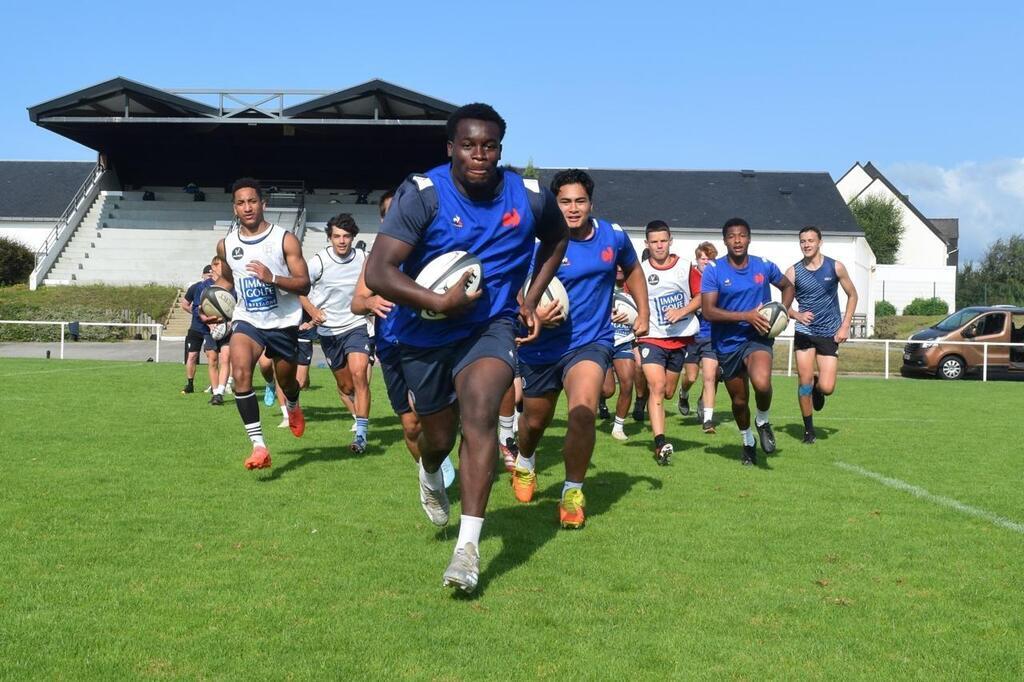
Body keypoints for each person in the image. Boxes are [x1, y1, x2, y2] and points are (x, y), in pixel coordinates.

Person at [365, 103, 568, 593]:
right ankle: (431, 471)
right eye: (469, 145)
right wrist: (438, 300)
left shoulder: (530, 194)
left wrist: (531, 298)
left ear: (501, 148)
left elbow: (558, 237)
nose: (480, 155)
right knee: (436, 437)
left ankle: (467, 549)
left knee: (480, 419)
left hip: (491, 326)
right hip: (424, 333)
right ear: (451, 147)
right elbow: (378, 273)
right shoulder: (424, 195)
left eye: (490, 146)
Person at [513, 169, 648, 528]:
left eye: (580, 201)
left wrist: (644, 312)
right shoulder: (537, 241)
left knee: (583, 412)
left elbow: (633, 271)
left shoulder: (613, 236)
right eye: (565, 202)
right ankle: (525, 459)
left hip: (590, 341)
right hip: (541, 347)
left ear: (591, 202)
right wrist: (534, 308)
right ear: (554, 204)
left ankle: (572, 494)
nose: (573, 209)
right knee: (535, 420)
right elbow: (515, 286)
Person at [351, 191, 456, 484]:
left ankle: (445, 456)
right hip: (391, 348)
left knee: (439, 419)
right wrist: (369, 303)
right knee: (411, 426)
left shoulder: (433, 253)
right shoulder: (376, 260)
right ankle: (431, 478)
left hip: (429, 346)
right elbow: (356, 302)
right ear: (384, 220)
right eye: (390, 213)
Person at [215, 177, 310, 470]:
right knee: (241, 369)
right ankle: (259, 446)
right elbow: (227, 281)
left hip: (283, 322)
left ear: (263, 204)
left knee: (286, 381)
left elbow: (304, 284)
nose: (247, 207)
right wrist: (211, 301)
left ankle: (292, 405)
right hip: (248, 320)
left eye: (252, 201)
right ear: (234, 208)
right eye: (241, 203)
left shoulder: (284, 239)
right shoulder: (226, 245)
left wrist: (273, 278)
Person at [701, 218, 794, 466]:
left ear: (749, 238)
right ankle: (747, 441)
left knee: (762, 384)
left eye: (742, 235)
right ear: (725, 241)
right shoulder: (713, 270)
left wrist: (780, 312)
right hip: (727, 343)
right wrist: (746, 316)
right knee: (739, 400)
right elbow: (708, 311)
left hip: (757, 337)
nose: (737, 240)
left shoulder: (763, 266)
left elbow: (788, 286)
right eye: (732, 236)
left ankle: (763, 420)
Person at [302, 213, 373, 453]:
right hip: (329, 331)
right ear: (329, 238)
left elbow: (380, 280)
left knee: (360, 373)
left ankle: (361, 434)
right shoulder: (319, 262)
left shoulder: (364, 258)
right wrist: (312, 311)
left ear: (353, 237)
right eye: (336, 237)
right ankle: (352, 404)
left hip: (356, 325)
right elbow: (299, 288)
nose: (341, 241)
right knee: (346, 386)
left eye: (346, 236)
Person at [785, 226, 858, 444]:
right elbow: (784, 306)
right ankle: (808, 430)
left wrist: (845, 325)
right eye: (802, 241)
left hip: (829, 332)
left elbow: (853, 295)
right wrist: (796, 315)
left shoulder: (835, 267)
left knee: (827, 387)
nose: (806, 245)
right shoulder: (793, 272)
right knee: (804, 383)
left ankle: (818, 386)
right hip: (804, 332)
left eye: (810, 240)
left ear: (820, 242)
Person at [636, 221, 701, 465]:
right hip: (651, 336)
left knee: (668, 390)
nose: (659, 245)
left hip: (679, 338)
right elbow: (631, 300)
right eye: (654, 242)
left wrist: (682, 310)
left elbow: (701, 296)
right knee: (658, 386)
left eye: (663, 240)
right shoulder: (640, 270)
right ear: (647, 244)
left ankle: (649, 403)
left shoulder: (685, 267)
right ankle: (660, 442)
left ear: (670, 240)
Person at [680, 242, 721, 432]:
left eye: (709, 259)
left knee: (710, 377)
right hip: (692, 335)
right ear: (697, 259)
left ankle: (708, 420)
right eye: (702, 258)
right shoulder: (689, 277)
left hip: (711, 335)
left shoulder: (718, 278)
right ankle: (684, 393)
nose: (706, 261)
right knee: (690, 376)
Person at [608, 267, 639, 441]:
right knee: (607, 390)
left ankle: (618, 426)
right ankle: (601, 401)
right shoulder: (602, 284)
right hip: (602, 341)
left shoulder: (636, 288)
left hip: (624, 340)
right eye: (616, 264)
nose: (619, 268)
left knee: (627, 383)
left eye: (622, 265)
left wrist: (637, 321)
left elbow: (644, 313)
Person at [200, 255, 234, 405]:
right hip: (210, 329)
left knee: (225, 358)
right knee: (212, 360)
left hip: (228, 328)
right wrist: (207, 322)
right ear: (213, 267)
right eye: (217, 265)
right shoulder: (204, 286)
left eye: (222, 265)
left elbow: (237, 306)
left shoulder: (233, 284)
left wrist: (231, 322)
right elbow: (199, 309)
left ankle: (220, 392)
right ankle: (214, 392)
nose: (219, 268)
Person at [180, 264, 214, 394]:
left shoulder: (216, 288)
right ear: (202, 275)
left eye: (212, 275)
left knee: (211, 356)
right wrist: (198, 314)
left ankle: (213, 385)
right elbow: (185, 304)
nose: (209, 278)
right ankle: (190, 384)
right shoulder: (195, 287)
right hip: (195, 328)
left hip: (210, 328)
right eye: (208, 275)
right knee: (192, 355)